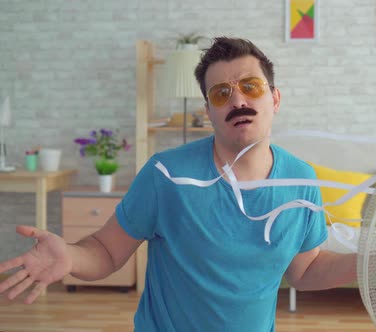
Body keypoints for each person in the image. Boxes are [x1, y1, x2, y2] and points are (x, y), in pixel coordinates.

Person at [0, 37, 357, 331]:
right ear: (208, 112)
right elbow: (107, 252)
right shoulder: (166, 174)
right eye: (221, 94)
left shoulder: (301, 179)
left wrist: (371, 263)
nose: (238, 100)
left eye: (251, 86)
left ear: (274, 98)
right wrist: (71, 256)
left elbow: (306, 269)